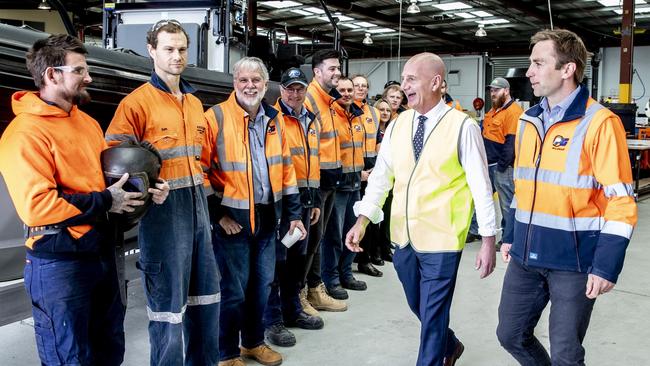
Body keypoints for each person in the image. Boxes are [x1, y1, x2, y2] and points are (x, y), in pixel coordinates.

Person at [0, 34, 166, 365]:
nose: (88, 77)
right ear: (51, 75)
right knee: (69, 357)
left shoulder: (88, 124)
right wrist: (106, 201)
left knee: (108, 352)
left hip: (103, 256)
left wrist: (149, 186)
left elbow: (108, 180)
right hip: (60, 265)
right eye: (80, 70)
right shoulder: (24, 134)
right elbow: (37, 208)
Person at [345, 52, 497, 366]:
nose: (404, 86)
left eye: (411, 79)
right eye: (403, 79)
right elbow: (381, 178)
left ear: (437, 82)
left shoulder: (462, 127)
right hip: (403, 236)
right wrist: (362, 220)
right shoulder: (399, 126)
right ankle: (450, 343)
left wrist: (488, 239)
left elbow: (482, 186)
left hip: (442, 238)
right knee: (421, 306)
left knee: (434, 310)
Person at [497, 29, 638, 366]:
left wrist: (605, 266)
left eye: (537, 63)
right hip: (525, 258)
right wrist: (511, 236)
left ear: (567, 69)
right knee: (510, 334)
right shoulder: (529, 120)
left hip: (574, 261)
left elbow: (621, 200)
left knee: (566, 354)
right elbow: (524, 187)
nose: (528, 71)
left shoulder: (600, 123)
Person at [105, 20, 220, 365]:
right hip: (164, 212)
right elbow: (114, 158)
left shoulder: (195, 103)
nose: (176, 56)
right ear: (152, 51)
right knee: (168, 308)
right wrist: (147, 188)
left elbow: (201, 159)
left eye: (182, 49)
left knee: (206, 296)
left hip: (198, 206)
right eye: (168, 49)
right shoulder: (137, 103)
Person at [205, 57, 306, 366]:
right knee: (232, 291)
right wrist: (217, 215)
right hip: (232, 221)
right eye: (243, 80)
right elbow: (200, 170)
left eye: (256, 80)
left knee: (260, 287)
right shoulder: (216, 118)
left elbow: (286, 170)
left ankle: (252, 343)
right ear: (235, 84)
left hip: (267, 218)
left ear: (266, 85)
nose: (250, 85)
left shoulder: (273, 121)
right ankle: (227, 353)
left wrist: (293, 214)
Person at [263, 67, 325, 348]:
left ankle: (292, 310)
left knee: (298, 261)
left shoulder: (310, 119)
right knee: (277, 262)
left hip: (306, 199)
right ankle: (272, 320)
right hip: (283, 201)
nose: (295, 93)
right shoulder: (271, 119)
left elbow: (313, 161)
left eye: (300, 88)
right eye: (290, 88)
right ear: (281, 89)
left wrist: (313, 200)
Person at [302, 49, 349, 313]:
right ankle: (301, 293)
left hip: (330, 179)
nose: (337, 73)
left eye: (338, 68)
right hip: (315, 182)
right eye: (331, 68)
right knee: (309, 241)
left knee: (318, 240)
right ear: (317, 71)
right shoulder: (310, 99)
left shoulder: (329, 100)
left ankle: (314, 288)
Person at [321, 77, 367, 300]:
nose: (347, 93)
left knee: (353, 231)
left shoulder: (357, 116)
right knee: (334, 237)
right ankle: (330, 279)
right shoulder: (331, 116)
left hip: (355, 183)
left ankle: (346, 273)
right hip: (338, 185)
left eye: (350, 89)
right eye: (342, 90)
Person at [482, 77, 523, 249]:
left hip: (502, 167)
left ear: (506, 91)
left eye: (496, 90)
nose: (493, 94)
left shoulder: (514, 112)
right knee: (483, 200)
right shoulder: (495, 110)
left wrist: (501, 167)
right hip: (489, 164)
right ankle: (479, 230)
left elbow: (511, 143)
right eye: (491, 90)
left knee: (507, 205)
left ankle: (509, 239)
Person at [351, 74, 384, 277]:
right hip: (355, 168)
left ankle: (365, 259)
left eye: (364, 86)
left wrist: (378, 166)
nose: (361, 89)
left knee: (370, 218)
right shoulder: (346, 110)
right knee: (354, 220)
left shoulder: (373, 112)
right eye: (357, 85)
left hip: (372, 167)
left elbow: (378, 139)